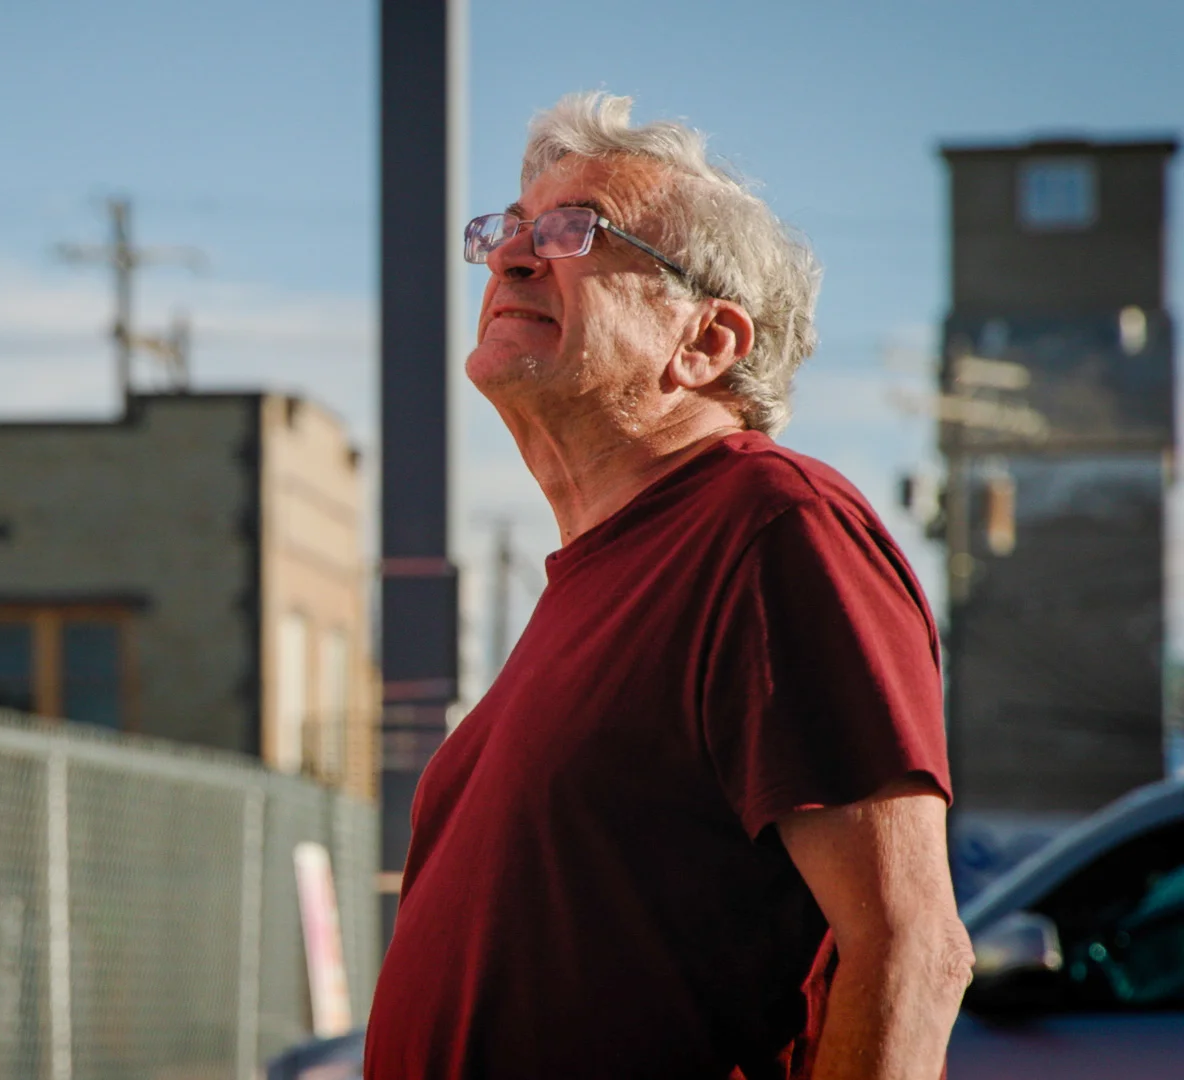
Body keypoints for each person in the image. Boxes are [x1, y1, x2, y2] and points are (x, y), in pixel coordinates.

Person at [363, 92, 973, 1080]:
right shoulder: (598, 576)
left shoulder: (772, 525)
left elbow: (910, 949)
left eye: (573, 232)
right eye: (508, 232)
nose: (512, 257)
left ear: (706, 343)